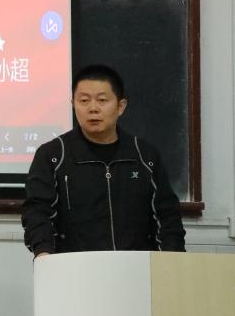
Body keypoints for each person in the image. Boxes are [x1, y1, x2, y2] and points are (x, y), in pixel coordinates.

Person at [22, 64, 185, 258]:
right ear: (73, 104)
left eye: (102, 100)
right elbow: (37, 212)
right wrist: (43, 253)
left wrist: (171, 261)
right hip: (73, 267)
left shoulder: (145, 156)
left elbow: (167, 217)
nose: (93, 108)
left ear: (120, 106)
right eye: (84, 100)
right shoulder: (52, 155)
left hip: (136, 267)